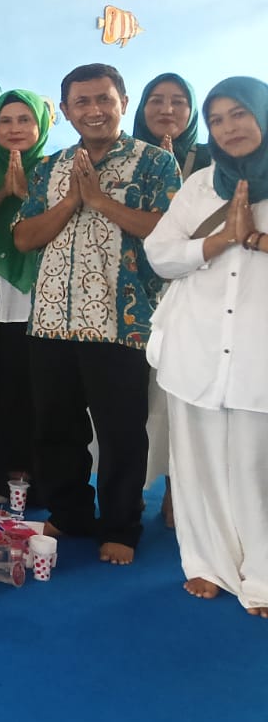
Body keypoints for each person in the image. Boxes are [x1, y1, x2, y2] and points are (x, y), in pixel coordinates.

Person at [13, 63, 179, 565]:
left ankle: (122, 526)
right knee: (55, 428)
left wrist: (101, 201)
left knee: (121, 433)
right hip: (51, 321)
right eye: (81, 102)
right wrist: (71, 202)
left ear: (123, 103)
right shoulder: (49, 167)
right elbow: (23, 237)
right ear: (65, 111)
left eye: (104, 99)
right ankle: (70, 514)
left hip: (121, 323)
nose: (94, 110)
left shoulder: (155, 163)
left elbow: (167, 230)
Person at [146, 77, 268, 615]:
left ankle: (262, 576)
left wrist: (255, 239)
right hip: (197, 343)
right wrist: (219, 241)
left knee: (256, 466)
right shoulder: (200, 185)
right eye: (216, 120)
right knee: (198, 464)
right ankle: (207, 563)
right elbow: (160, 254)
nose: (228, 128)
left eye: (239, 114)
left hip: (258, 348)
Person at [132, 71, 211, 520]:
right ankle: (131, 487)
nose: (166, 109)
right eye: (156, 100)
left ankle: (179, 492)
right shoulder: (126, 155)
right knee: (133, 398)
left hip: (195, 295)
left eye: (178, 101)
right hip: (131, 293)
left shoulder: (213, 161)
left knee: (181, 395)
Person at [0, 88, 52, 497]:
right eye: (5, 120)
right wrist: (2, 191)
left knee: (28, 390)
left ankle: (27, 478)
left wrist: (28, 198)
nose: (14, 128)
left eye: (24, 120)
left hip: (33, 298)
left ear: (41, 125)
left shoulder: (54, 170)